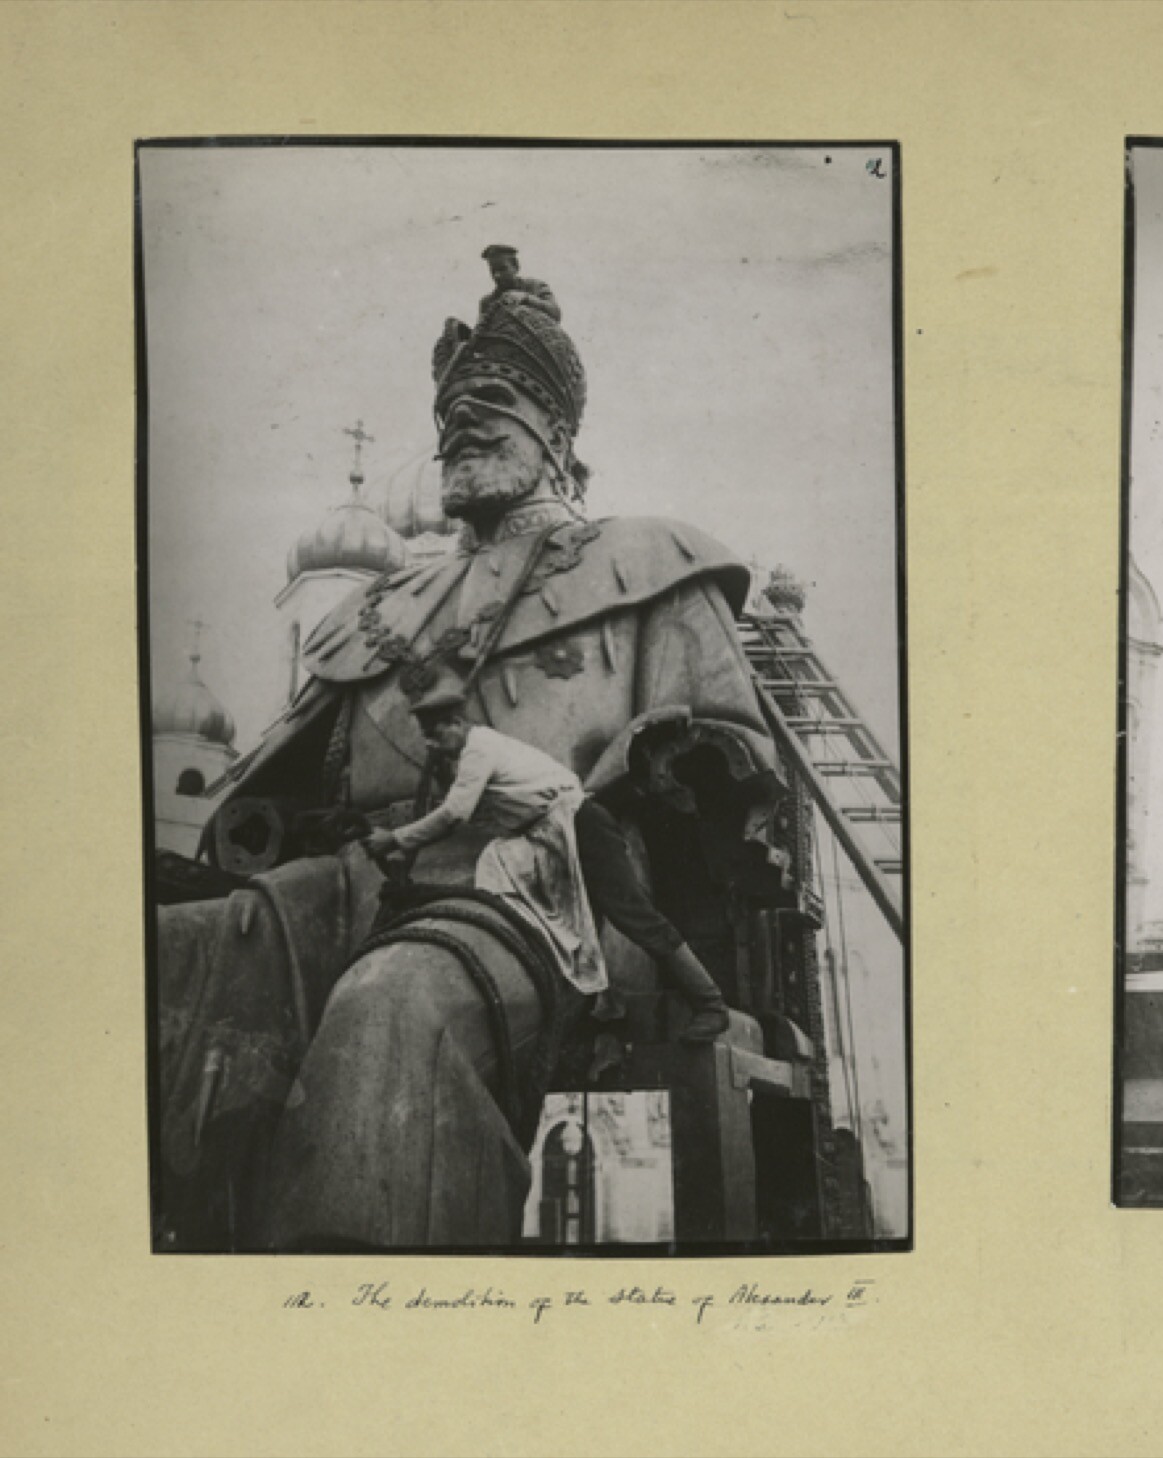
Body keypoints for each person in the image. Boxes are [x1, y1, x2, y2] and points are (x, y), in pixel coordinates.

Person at [161, 255, 787, 1248]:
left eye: (494, 397)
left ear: (559, 437)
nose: (463, 420)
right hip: (351, 889)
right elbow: (279, 786)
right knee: (154, 965)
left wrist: (672, 753)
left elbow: (731, 742)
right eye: (452, 407)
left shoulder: (652, 559)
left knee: (391, 1010)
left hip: (544, 895)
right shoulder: (382, 608)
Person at [364, 672, 732, 1042]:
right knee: (537, 919)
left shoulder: (479, 748)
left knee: (632, 914)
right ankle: (590, 1005)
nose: (432, 745)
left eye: (437, 734)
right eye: (426, 737)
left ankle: (710, 1004)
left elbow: (454, 814)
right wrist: (404, 846)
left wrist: (395, 839)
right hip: (538, 838)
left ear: (457, 724)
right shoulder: (467, 756)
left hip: (579, 824)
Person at [478, 243, 561, 322]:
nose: (497, 275)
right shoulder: (487, 302)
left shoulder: (535, 286)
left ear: (516, 267)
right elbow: (482, 332)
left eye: (502, 269)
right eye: (493, 271)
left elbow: (555, 314)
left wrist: (526, 298)